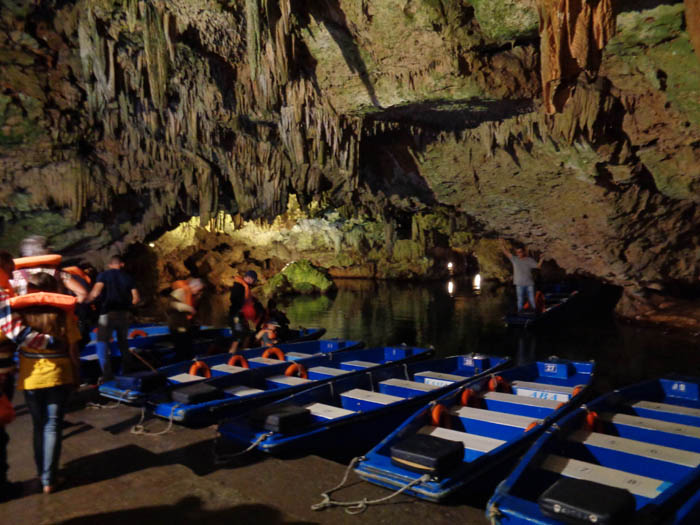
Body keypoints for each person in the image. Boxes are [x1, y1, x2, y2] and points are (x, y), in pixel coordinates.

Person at [15, 272, 80, 494]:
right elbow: (73, 350)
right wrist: (77, 375)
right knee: (52, 426)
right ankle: (49, 480)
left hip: (30, 376)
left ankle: (41, 473)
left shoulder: (20, 316)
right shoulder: (64, 315)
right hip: (59, 374)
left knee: (38, 425)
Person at [86, 255, 140, 380]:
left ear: (110, 265)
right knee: (123, 342)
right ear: (122, 264)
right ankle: (127, 371)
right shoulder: (128, 277)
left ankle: (107, 374)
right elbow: (136, 298)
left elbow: (96, 292)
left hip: (107, 313)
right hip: (124, 313)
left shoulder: (104, 275)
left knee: (102, 343)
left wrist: (86, 302)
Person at [9, 235, 87, 302]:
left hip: (26, 314)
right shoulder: (59, 274)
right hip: (56, 312)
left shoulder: (16, 275)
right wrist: (69, 305)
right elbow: (82, 293)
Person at [167, 278, 204, 362]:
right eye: (199, 289)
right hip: (176, 324)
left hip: (186, 324)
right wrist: (189, 308)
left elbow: (194, 312)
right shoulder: (180, 293)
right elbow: (171, 305)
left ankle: (189, 358)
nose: (199, 292)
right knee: (181, 344)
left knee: (188, 342)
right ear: (193, 286)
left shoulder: (195, 295)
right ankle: (180, 361)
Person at [501, 239, 542, 313]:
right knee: (520, 300)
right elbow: (506, 252)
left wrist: (542, 258)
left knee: (532, 300)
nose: (519, 253)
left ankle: (533, 315)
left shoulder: (529, 260)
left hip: (529, 284)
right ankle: (520, 315)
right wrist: (502, 244)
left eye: (520, 251)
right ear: (516, 253)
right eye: (517, 252)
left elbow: (538, 266)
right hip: (519, 284)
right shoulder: (514, 259)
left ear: (523, 252)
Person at [228, 270, 262, 354]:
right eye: (250, 278)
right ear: (247, 278)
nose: (252, 281)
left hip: (241, 315)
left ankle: (243, 351)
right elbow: (235, 300)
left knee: (247, 333)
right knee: (238, 336)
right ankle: (231, 355)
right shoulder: (239, 286)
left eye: (253, 280)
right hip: (236, 315)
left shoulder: (244, 287)